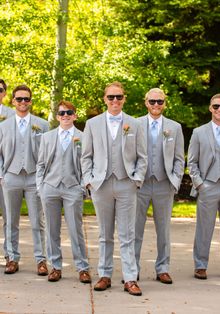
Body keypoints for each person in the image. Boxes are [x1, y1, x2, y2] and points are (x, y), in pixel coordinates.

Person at [81, 81, 147, 296]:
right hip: (101, 184)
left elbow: (142, 156)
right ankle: (104, 274)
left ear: (124, 98)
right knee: (104, 234)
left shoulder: (134, 124)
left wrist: (136, 179)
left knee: (127, 234)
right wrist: (89, 180)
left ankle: (130, 278)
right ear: (105, 99)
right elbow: (86, 156)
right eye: (111, 97)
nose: (115, 101)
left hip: (126, 183)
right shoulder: (92, 124)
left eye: (119, 97)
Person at [36, 100, 91, 283]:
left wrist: (82, 187)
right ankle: (56, 267)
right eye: (61, 113)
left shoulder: (83, 137)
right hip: (49, 187)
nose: (65, 116)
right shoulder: (47, 137)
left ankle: (82, 268)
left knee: (76, 229)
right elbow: (41, 164)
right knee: (52, 230)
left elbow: (88, 164)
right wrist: (40, 186)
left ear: (75, 115)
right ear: (57, 116)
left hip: (72, 188)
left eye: (69, 113)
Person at [135, 88, 185, 284]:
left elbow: (180, 158)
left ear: (165, 103)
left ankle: (163, 268)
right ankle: (133, 269)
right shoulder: (134, 124)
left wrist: (175, 180)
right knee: (135, 229)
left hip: (164, 184)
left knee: (163, 230)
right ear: (146, 102)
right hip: (141, 185)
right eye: (153, 101)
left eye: (160, 101)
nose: (156, 105)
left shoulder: (175, 127)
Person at [0, 84, 49, 275]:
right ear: (13, 101)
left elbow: (46, 153)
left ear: (30, 101)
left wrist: (42, 176)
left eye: (26, 99)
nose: (22, 102)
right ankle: (12, 258)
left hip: (33, 178)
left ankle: (41, 260)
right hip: (10, 177)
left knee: (38, 221)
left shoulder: (42, 125)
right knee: (11, 221)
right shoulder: (2, 126)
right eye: (19, 99)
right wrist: (2, 174)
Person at [188, 93, 220, 280]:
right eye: (216, 106)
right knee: (204, 227)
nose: (219, 110)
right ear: (210, 108)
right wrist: (199, 184)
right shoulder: (199, 132)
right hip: (208, 184)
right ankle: (200, 265)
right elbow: (191, 162)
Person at [0, 79, 15, 259]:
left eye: (0, 89)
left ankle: (10, 255)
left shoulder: (12, 115)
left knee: (9, 218)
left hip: (6, 174)